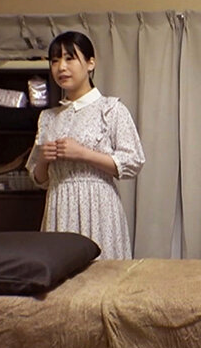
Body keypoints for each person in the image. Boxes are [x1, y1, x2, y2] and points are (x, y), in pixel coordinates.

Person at [26, 31, 145, 259]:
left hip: (99, 207)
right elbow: (39, 180)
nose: (61, 67)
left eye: (69, 58)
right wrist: (43, 160)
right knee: (61, 274)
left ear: (91, 63)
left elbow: (133, 162)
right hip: (59, 207)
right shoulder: (48, 118)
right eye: (55, 61)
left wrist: (83, 154)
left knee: (104, 275)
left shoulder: (111, 109)